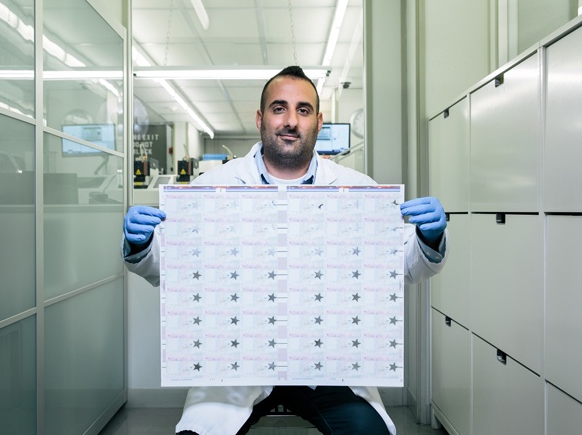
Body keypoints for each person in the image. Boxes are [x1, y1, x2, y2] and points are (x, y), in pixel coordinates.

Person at [122, 66, 448, 435]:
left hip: (327, 364)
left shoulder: (357, 190)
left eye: (303, 110)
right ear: (261, 118)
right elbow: (172, 269)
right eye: (279, 108)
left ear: (318, 121)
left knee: (369, 432)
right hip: (238, 363)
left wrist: (428, 239)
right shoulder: (212, 188)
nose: (291, 121)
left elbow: (403, 269)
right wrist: (142, 244)